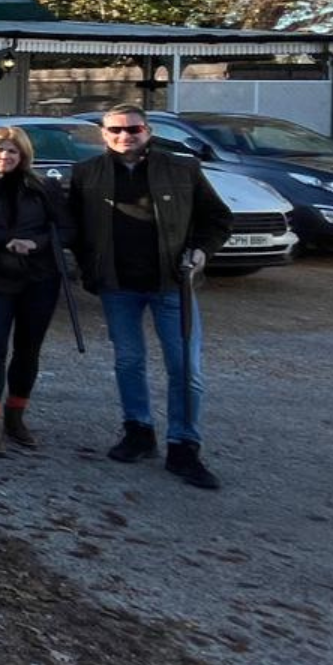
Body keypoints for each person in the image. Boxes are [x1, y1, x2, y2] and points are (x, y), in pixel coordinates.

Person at [66, 103, 231, 489]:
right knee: (128, 361)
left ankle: (184, 445)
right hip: (117, 284)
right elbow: (71, 225)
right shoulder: (87, 173)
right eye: (116, 131)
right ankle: (138, 430)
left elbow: (218, 219)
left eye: (133, 129)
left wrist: (202, 251)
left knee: (185, 367)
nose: (125, 136)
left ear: (148, 131)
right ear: (103, 135)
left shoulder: (182, 169)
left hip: (171, 283)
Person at [0, 127, 72, 455]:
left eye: (11, 151)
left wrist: (36, 243)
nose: (4, 156)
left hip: (38, 279)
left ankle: (16, 416)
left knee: (28, 350)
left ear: (23, 155)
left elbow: (67, 229)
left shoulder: (43, 187)